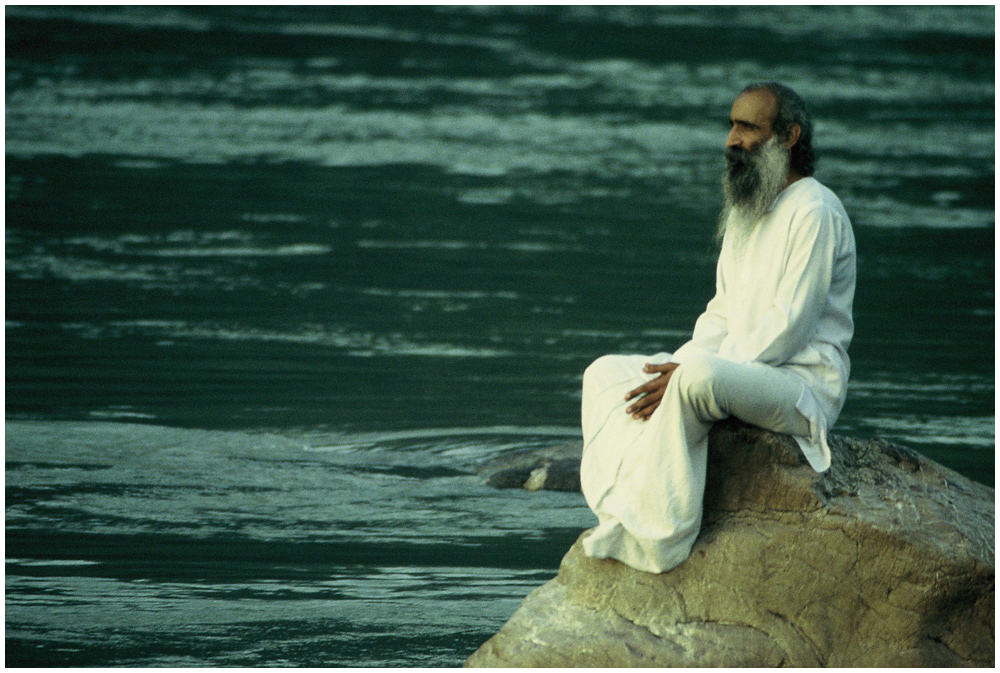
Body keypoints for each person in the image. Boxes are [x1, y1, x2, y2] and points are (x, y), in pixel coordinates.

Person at [579, 82, 856, 574]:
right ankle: (621, 509)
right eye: (731, 125)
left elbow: (789, 326)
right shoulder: (749, 209)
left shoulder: (815, 209)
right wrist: (677, 366)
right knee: (605, 374)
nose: (731, 138)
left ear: (789, 137)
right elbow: (721, 315)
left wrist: (689, 374)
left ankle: (662, 536)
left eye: (747, 127)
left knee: (695, 378)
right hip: (737, 370)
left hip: (799, 387)